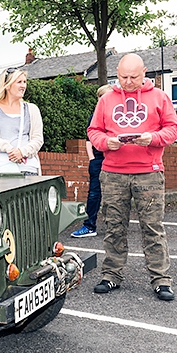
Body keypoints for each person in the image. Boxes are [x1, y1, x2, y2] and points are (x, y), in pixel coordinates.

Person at [87, 53, 177, 301]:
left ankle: (161, 280)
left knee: (153, 228)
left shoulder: (159, 97)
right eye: (123, 76)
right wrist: (106, 142)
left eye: (133, 77)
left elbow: (172, 128)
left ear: (144, 72)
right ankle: (111, 275)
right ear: (117, 72)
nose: (127, 82)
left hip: (149, 173)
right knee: (114, 226)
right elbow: (93, 130)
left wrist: (154, 138)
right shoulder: (106, 99)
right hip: (113, 173)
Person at [0, 67, 44, 176]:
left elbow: (38, 139)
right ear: (7, 85)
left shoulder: (32, 109)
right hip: (1, 168)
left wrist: (22, 152)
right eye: (19, 82)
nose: (23, 86)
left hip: (28, 168)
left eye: (24, 82)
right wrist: (9, 149)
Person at [71, 84, 113, 238]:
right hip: (98, 160)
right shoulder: (93, 117)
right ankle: (89, 226)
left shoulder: (117, 116)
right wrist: (92, 159)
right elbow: (88, 140)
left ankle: (114, 227)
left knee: (115, 194)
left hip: (114, 161)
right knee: (94, 194)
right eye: (103, 97)